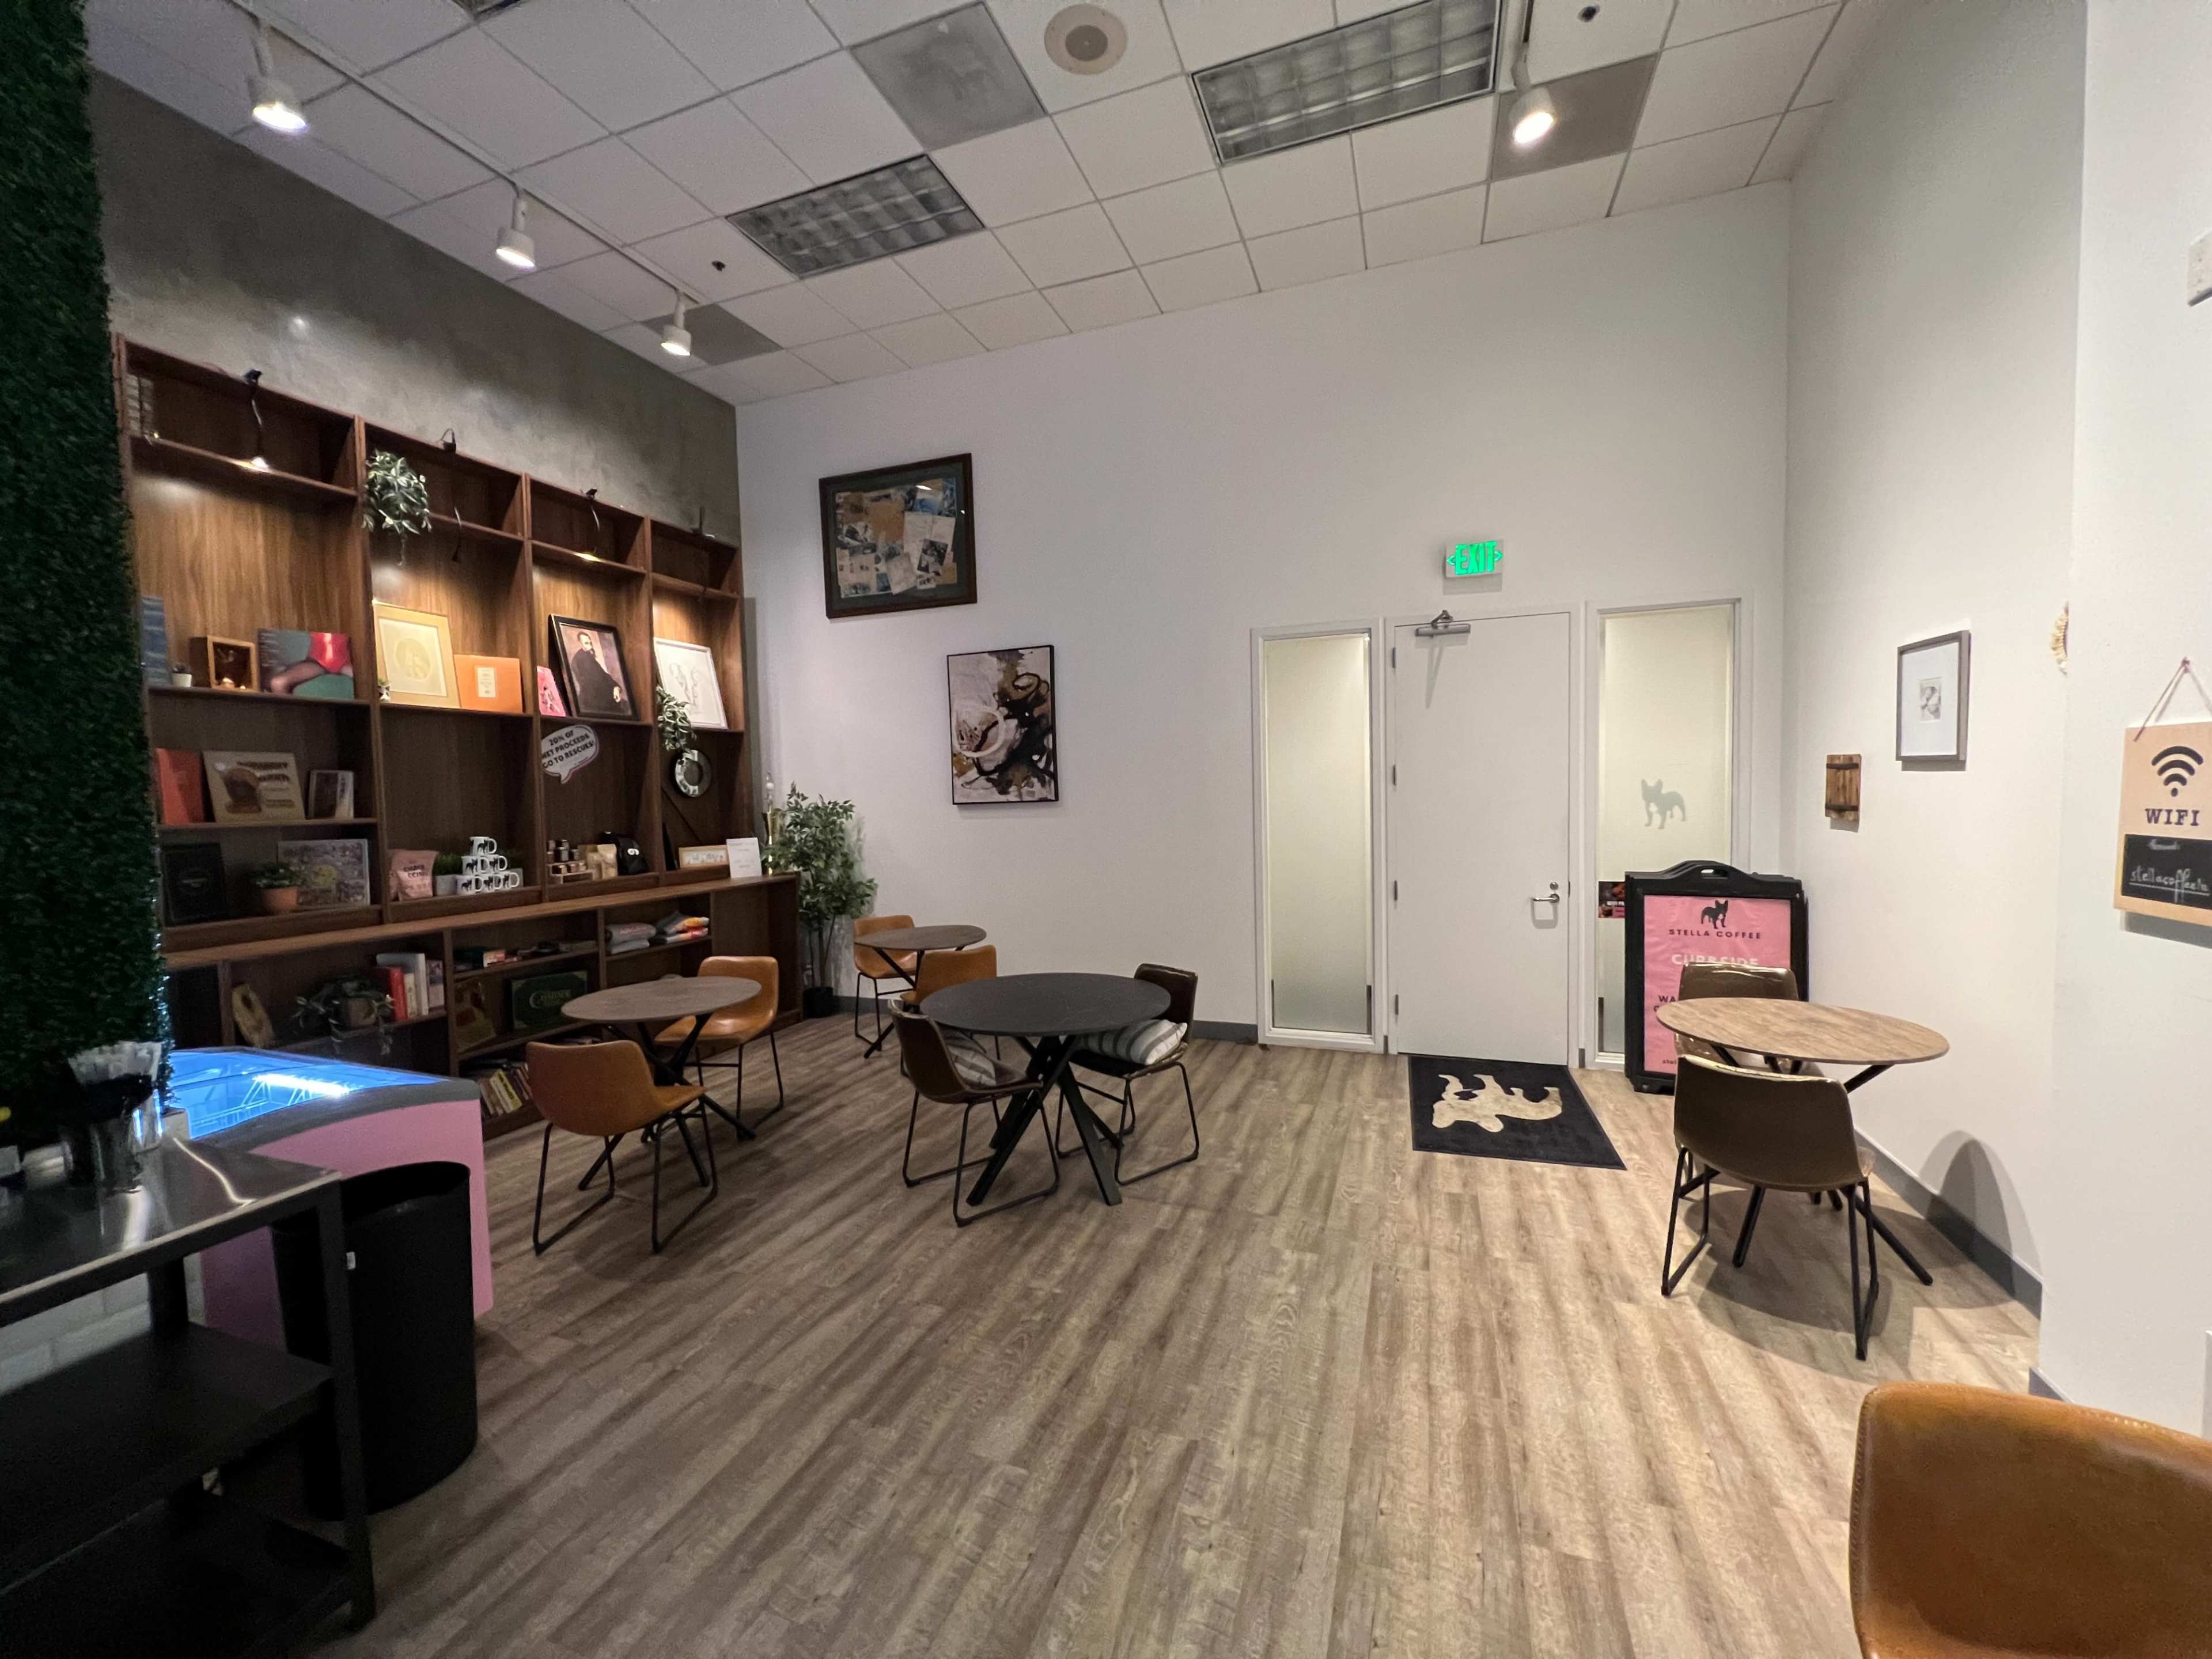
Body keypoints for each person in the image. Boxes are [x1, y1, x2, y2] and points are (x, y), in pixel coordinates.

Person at [566, 631, 626, 715]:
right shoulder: (580, 659)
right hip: (593, 700)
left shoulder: (589, 656)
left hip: (599, 697)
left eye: (590, 643)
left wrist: (615, 687)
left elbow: (602, 674)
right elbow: (594, 681)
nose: (590, 646)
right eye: (587, 643)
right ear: (580, 644)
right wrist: (613, 688)